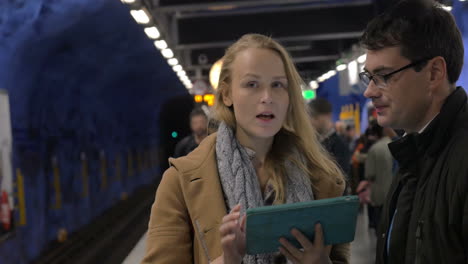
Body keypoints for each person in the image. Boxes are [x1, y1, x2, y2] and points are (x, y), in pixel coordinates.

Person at [141, 34, 349, 264]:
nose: (267, 97)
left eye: (278, 85)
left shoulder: (322, 177)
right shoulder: (179, 182)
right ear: (227, 94)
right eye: (252, 84)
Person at [359, 0, 468, 263]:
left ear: (434, 73)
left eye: (384, 75)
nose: (369, 91)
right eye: (369, 77)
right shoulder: (412, 156)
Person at [356, 122, 394, 230]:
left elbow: (369, 174)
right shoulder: (395, 144)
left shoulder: (374, 149)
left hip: (379, 192)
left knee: (380, 224)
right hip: (393, 189)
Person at [309, 98, 351, 179]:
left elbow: (341, 179)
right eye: (310, 117)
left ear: (328, 116)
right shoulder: (314, 142)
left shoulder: (340, 145)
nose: (311, 122)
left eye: (315, 117)